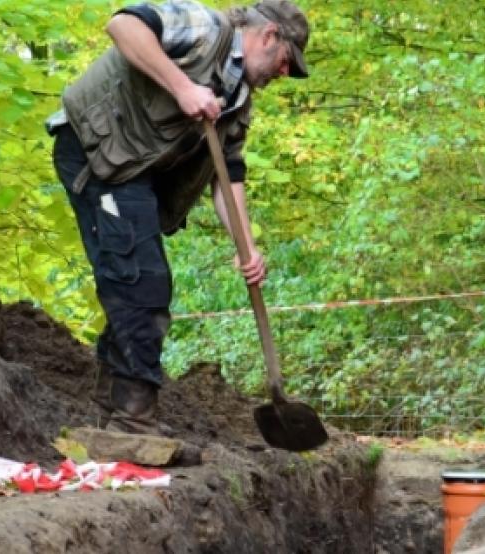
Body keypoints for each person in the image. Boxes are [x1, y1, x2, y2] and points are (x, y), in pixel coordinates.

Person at [47, 0, 309, 434]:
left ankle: (115, 415)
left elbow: (228, 176)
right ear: (269, 36)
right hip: (93, 153)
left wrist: (247, 245)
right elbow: (124, 24)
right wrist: (182, 87)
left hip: (133, 172)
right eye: (286, 62)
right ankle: (133, 422)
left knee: (135, 278)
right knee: (141, 281)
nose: (284, 74)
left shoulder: (237, 100)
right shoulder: (203, 27)